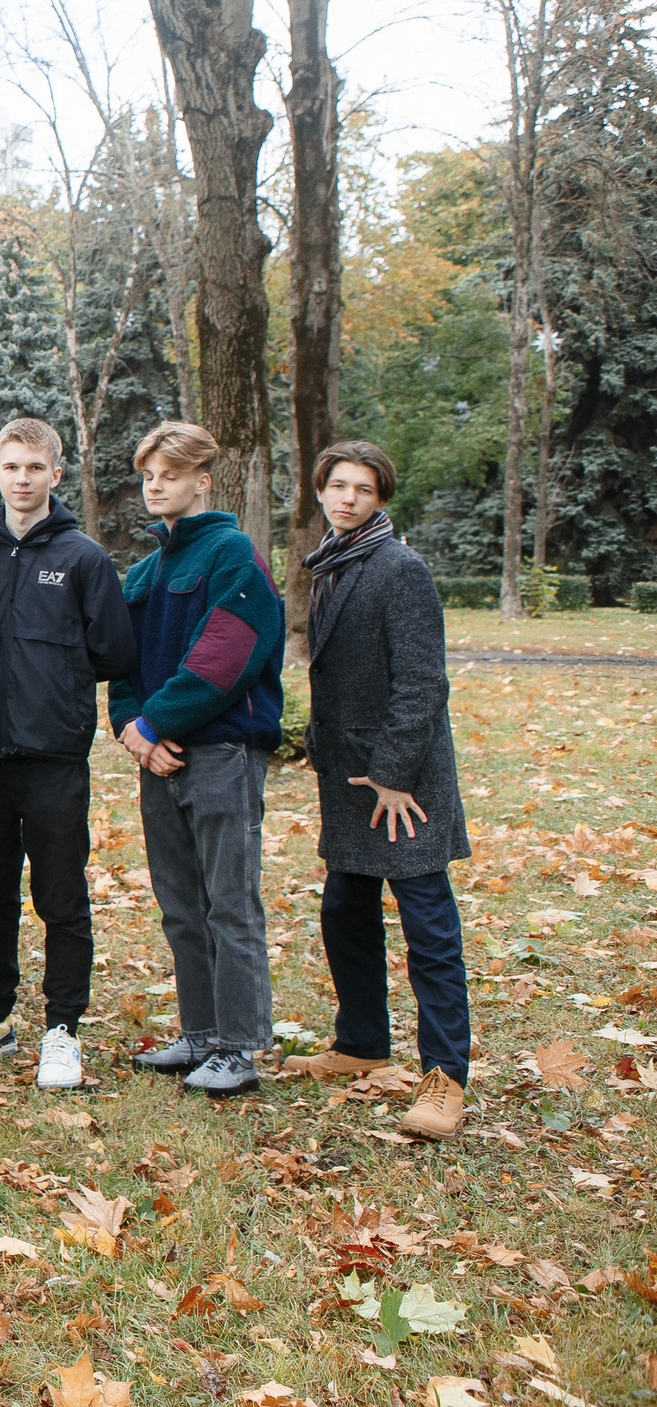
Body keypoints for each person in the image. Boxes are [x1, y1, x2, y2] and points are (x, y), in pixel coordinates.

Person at [281, 440, 470, 1141]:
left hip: (404, 783)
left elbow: (424, 682)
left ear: (380, 497)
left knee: (429, 927)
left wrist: (393, 773)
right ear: (322, 492)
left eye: (362, 488)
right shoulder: (332, 565)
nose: (348, 497)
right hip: (352, 780)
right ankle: (360, 1040)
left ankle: (445, 1079)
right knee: (344, 909)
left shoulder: (400, 568)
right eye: (337, 485)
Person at [0, 419, 137, 1091]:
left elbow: (115, 651)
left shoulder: (83, 558)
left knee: (61, 896)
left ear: (56, 474)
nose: (22, 477)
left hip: (55, 758)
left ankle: (62, 1028)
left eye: (35, 466)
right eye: (10, 466)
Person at [107, 421, 285, 1099]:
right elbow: (122, 663)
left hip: (221, 753)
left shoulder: (233, 555)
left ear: (202, 480)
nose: (156, 484)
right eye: (149, 473)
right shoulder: (147, 570)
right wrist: (132, 727)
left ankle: (239, 1046)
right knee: (180, 904)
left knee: (228, 903)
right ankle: (201, 1033)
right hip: (158, 757)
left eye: (171, 474)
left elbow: (226, 656)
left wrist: (158, 720)